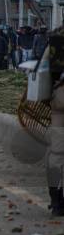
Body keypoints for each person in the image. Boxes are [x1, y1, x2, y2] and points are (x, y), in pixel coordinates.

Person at [45, 26, 64, 215]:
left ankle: (56, 200)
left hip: (60, 99)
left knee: (57, 153)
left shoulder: (57, 38)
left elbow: (49, 72)